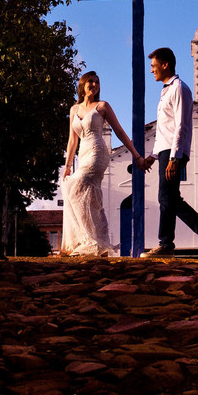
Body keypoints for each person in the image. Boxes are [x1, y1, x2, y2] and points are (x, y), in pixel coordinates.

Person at [141, 47, 198, 259]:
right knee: (170, 199)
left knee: (167, 197)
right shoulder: (166, 90)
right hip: (166, 152)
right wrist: (154, 155)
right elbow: (164, 130)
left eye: (153, 66)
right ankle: (194, 237)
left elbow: (181, 126)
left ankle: (171, 243)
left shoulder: (179, 88)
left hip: (174, 153)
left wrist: (174, 158)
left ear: (165, 64)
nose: (152, 71)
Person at [60, 71, 145, 257]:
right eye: (90, 81)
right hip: (82, 155)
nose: (94, 84)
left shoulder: (102, 106)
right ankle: (97, 242)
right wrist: (67, 165)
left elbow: (120, 131)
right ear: (82, 85)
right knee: (83, 194)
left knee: (76, 186)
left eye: (97, 82)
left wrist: (137, 156)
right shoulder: (74, 110)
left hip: (98, 153)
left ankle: (91, 242)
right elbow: (72, 140)